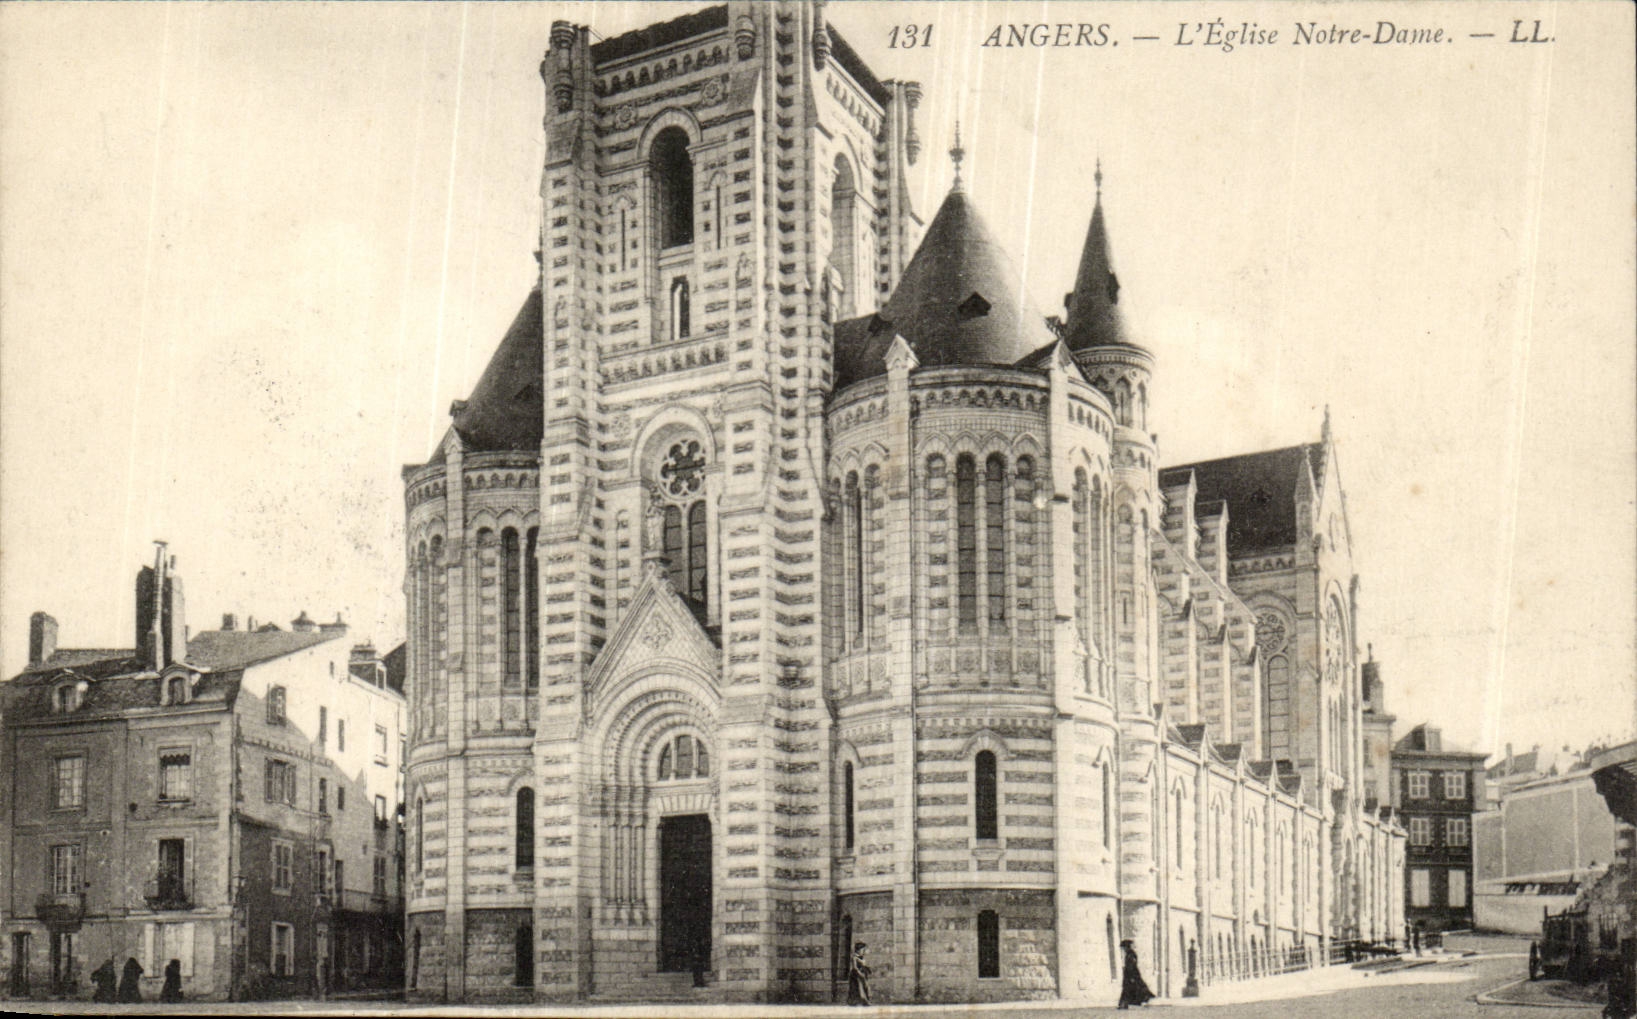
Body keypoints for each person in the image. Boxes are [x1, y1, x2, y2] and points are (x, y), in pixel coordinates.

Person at [1118, 939, 1155, 1009]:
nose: (1123, 949)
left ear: (1127, 947)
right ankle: (1124, 1004)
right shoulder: (1130, 954)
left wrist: (1131, 976)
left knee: (1132, 989)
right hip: (1130, 974)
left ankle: (1124, 1004)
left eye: (1124, 948)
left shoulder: (1131, 954)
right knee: (1129, 989)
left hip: (1131, 974)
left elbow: (1131, 966)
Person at [847, 941, 871, 1006]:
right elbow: (855, 967)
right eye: (862, 950)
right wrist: (860, 973)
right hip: (856, 975)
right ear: (858, 950)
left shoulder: (862, 957)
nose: (863, 951)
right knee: (857, 988)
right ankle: (858, 1001)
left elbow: (864, 965)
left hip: (862, 974)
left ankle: (865, 1001)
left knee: (865, 986)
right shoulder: (854, 957)